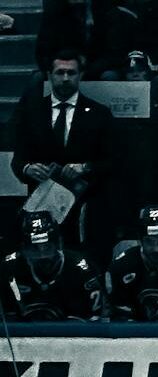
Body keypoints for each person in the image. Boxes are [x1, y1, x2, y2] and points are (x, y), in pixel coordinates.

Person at [10, 51, 113, 250]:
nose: (65, 78)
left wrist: (85, 167)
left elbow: (114, 160)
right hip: (41, 208)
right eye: (60, 72)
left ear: (81, 75)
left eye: (71, 73)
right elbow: (18, 160)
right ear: (49, 75)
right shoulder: (31, 112)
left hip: (84, 208)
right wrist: (27, 169)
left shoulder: (100, 114)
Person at [0, 210, 105, 321]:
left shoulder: (81, 267)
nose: (42, 256)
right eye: (34, 249)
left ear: (58, 243)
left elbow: (96, 317)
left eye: (47, 247)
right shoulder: (9, 267)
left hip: (73, 333)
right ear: (23, 248)